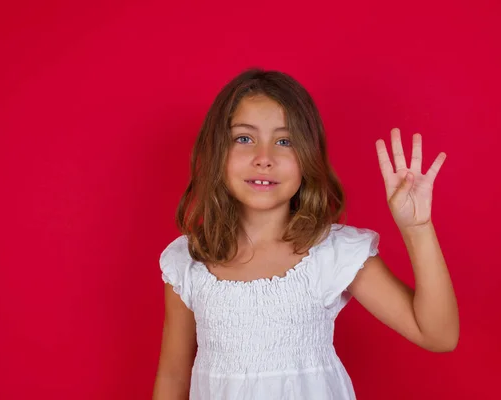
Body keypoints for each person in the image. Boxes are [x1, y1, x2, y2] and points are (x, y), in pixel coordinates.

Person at [152, 68, 459, 400]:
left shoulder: (332, 253)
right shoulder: (189, 260)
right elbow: (172, 375)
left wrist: (417, 228)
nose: (263, 158)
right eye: (244, 138)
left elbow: (438, 336)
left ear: (307, 158)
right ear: (217, 151)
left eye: (284, 141)